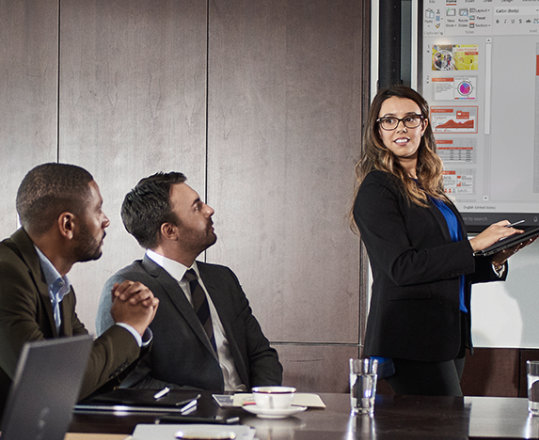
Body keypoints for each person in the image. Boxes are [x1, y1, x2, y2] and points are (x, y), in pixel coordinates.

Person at [352, 85, 531, 396]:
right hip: (410, 338)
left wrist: (495, 260)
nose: (401, 128)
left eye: (410, 119)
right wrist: (475, 244)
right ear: (377, 131)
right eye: (389, 120)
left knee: (442, 428)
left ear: (424, 124)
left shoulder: (430, 191)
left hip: (448, 334)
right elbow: (401, 268)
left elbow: (441, 267)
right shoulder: (377, 189)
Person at [96, 172, 282, 392]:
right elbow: (131, 383)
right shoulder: (127, 288)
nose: (209, 210)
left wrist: (262, 402)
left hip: (248, 412)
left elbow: (261, 354)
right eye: (197, 207)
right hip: (185, 420)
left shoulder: (223, 279)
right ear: (170, 230)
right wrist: (211, 407)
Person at [0, 163, 159, 415]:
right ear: (67, 225)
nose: (106, 220)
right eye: (97, 210)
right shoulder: (6, 274)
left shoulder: (60, 287)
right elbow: (47, 384)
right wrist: (129, 328)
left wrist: (134, 329)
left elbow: (88, 377)